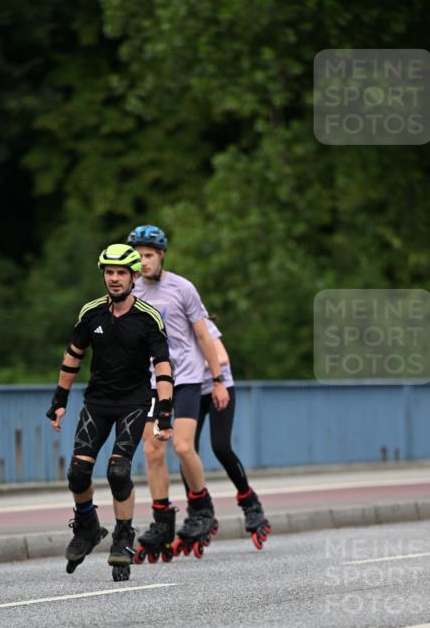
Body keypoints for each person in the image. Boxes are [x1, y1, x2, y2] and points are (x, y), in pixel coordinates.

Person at [46, 243, 174, 576]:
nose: (114, 279)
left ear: (134, 276)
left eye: (121, 273)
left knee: (118, 472)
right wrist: (59, 401)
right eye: (109, 273)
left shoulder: (148, 318)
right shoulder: (91, 313)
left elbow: (163, 365)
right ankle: (87, 525)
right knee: (77, 472)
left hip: (134, 402)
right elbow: (73, 357)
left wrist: (164, 410)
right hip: (97, 402)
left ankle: (122, 536)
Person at [128, 224, 230, 560]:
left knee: (184, 447)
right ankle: (161, 521)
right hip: (151, 382)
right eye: (138, 256)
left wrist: (216, 379)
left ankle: (201, 509)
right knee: (153, 451)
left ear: (161, 256)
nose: (143, 262)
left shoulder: (182, 288)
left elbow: (204, 336)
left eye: (149, 255)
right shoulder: (130, 292)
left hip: (185, 378)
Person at [184, 317, 271, 550]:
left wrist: (187, 365)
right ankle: (198, 511)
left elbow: (221, 357)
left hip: (218, 388)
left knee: (220, 446)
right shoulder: (168, 330)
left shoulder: (203, 325)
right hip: (189, 392)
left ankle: (250, 503)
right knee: (186, 450)